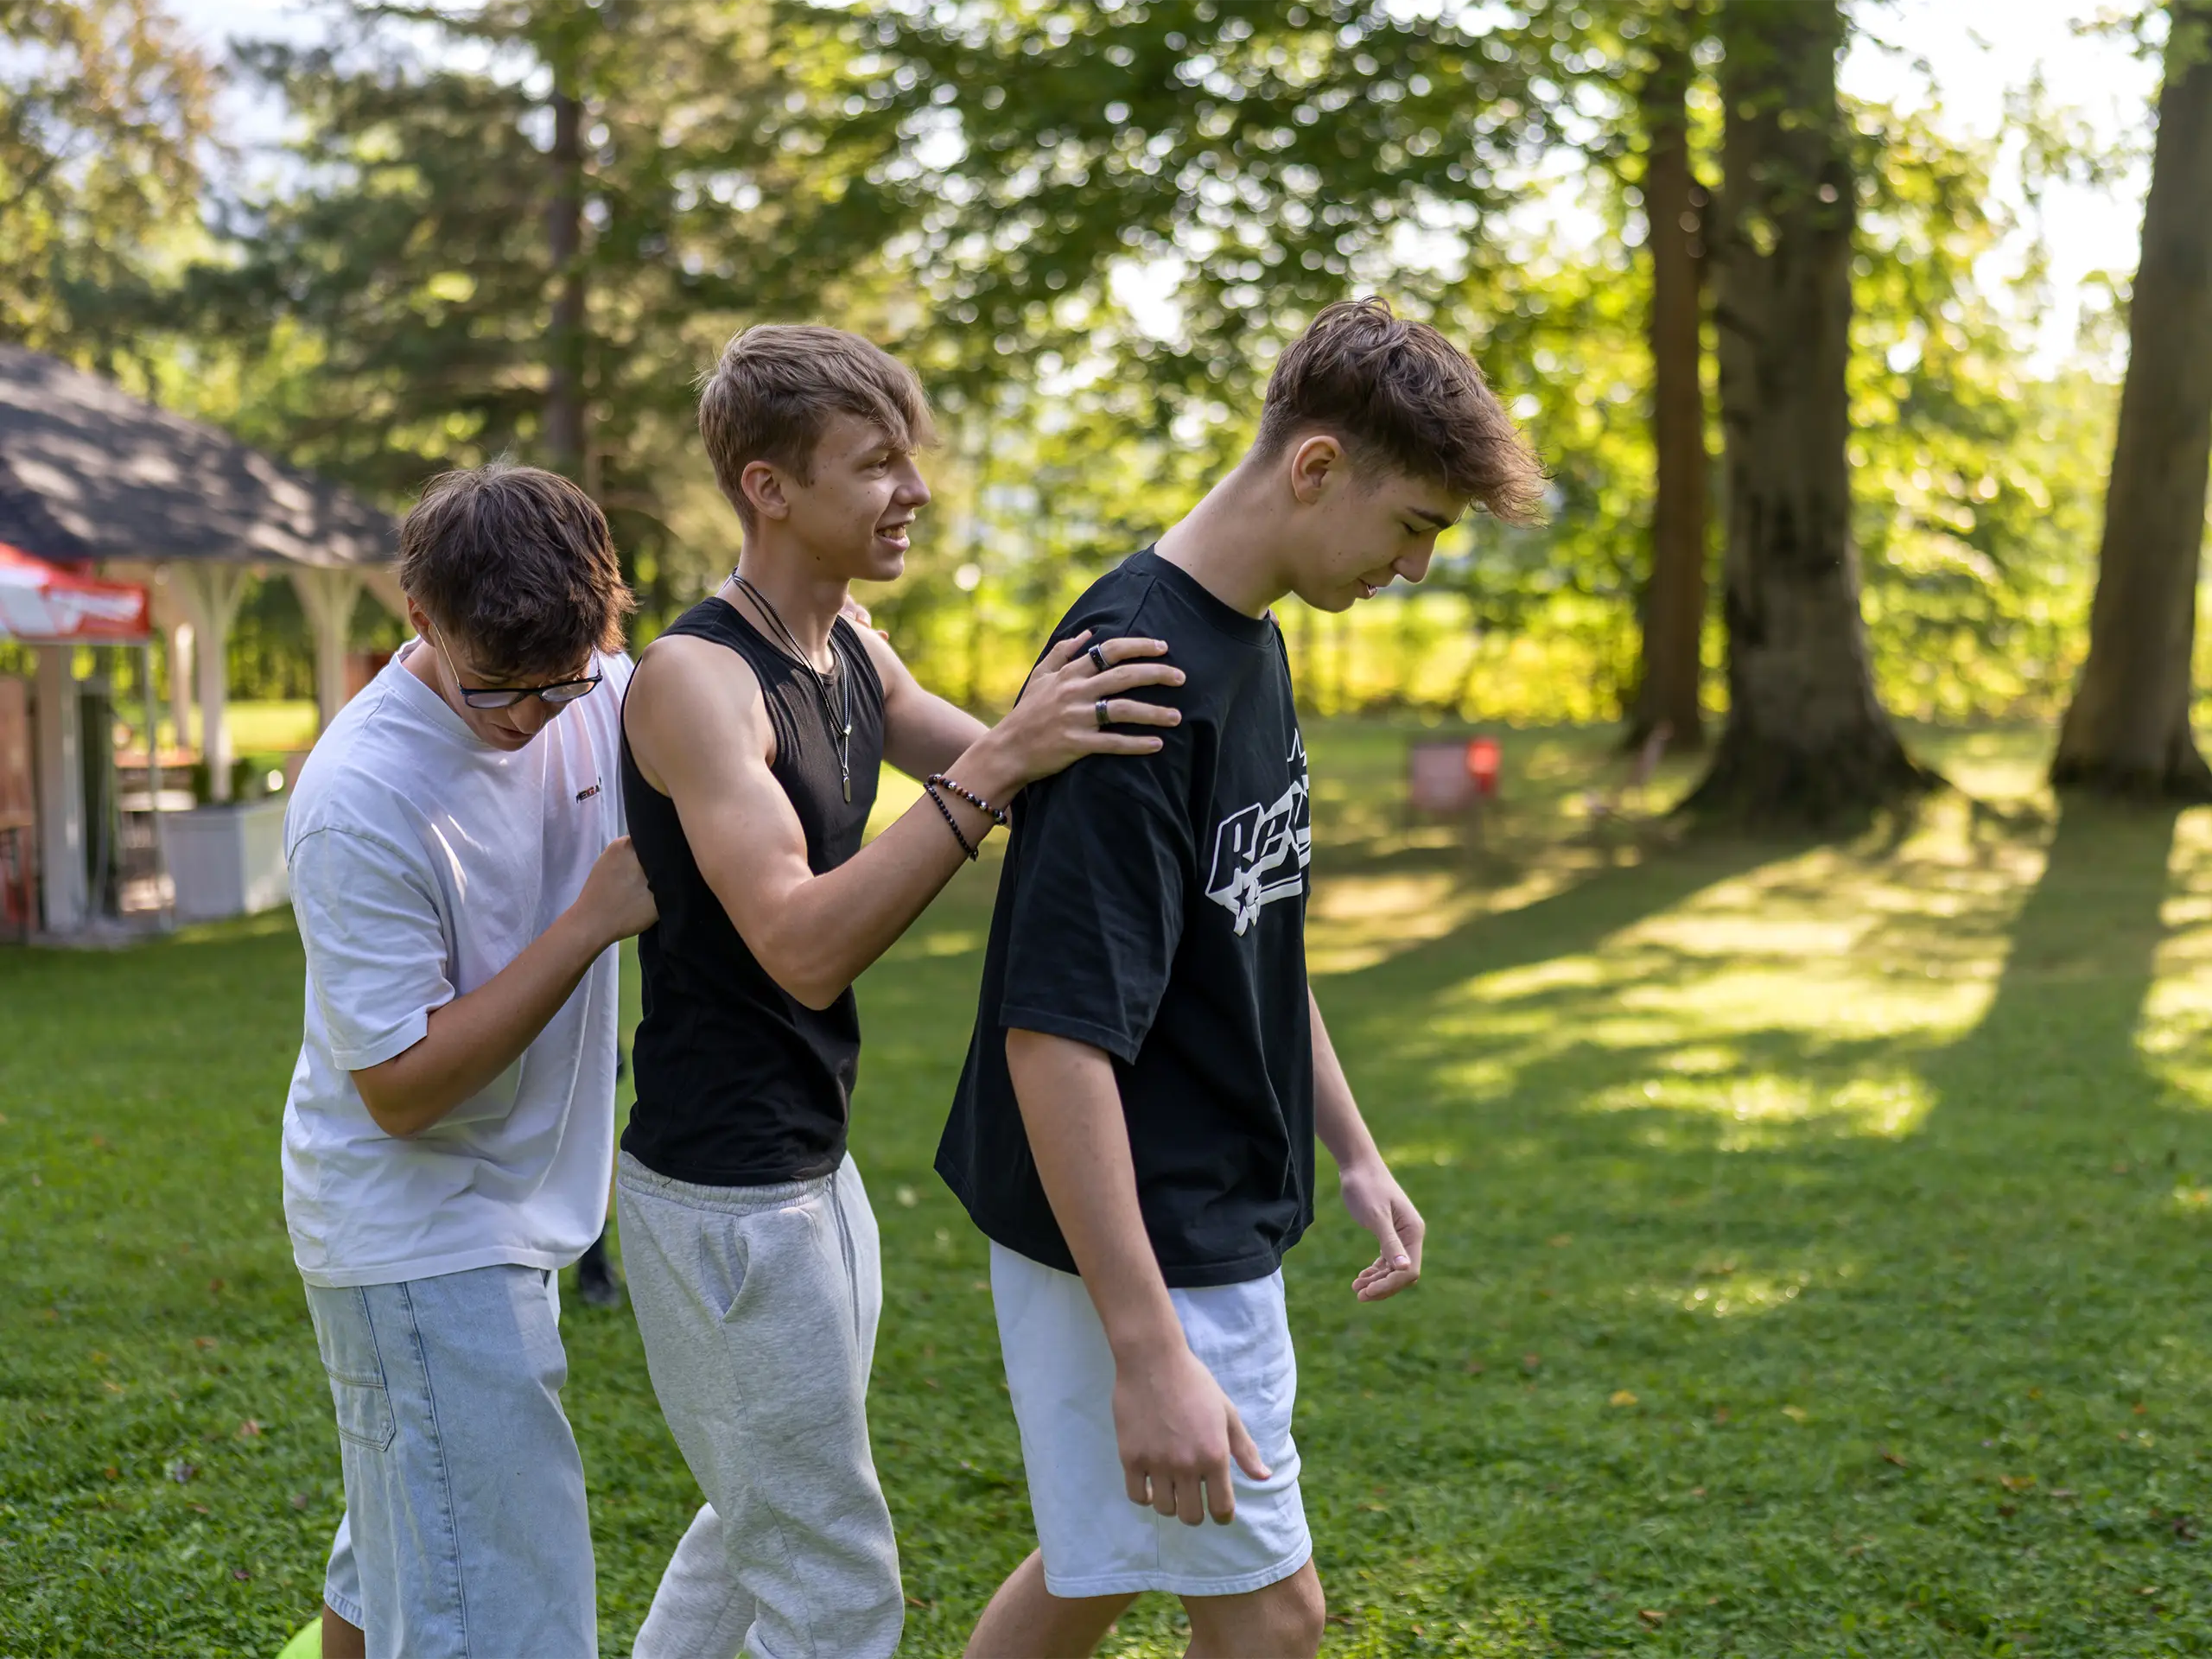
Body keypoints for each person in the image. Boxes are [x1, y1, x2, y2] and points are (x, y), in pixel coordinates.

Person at [936, 296, 1547, 1659]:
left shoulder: (1251, 641)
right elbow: (1054, 1034)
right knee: (1274, 1616)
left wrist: (1356, 1148)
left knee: (1097, 1563)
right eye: (1415, 528)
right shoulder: (1138, 667)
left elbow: (1251, 930)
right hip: (1143, 1220)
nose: (1418, 568)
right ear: (1318, 469)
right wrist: (1149, 1346)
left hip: (1195, 1194)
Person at [614, 322, 1184, 1659]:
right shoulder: (695, 682)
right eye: (874, 465)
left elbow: (1012, 766)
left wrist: (1145, 751)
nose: (914, 492)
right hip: (720, 1197)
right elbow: (803, 944)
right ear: (768, 486)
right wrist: (996, 775)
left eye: (909, 459)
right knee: (835, 1587)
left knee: (748, 1524)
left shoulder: (852, 651)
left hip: (812, 1172)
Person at [278, 463, 655, 1659]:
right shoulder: (361, 795)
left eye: (568, 682)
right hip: (418, 1229)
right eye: (502, 692)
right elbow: (399, 1090)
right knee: (501, 1612)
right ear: (419, 619)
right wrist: (587, 924)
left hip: (509, 1213)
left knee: (402, 1554)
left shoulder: (591, 682)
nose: (538, 717)